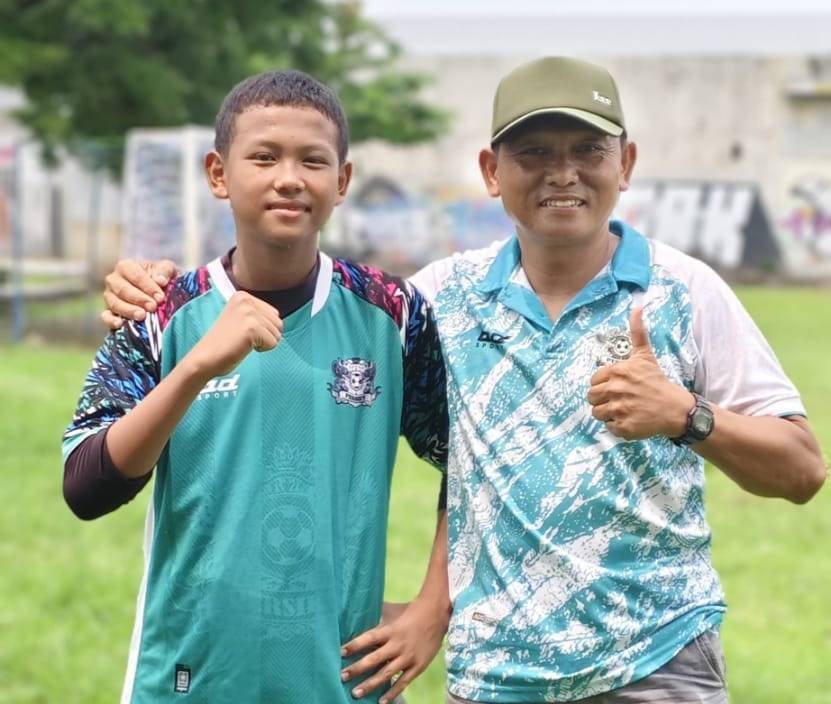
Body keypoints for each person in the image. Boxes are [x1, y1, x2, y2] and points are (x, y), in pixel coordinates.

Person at [102, 57, 827, 703]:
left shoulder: (686, 290)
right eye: (534, 153)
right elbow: (451, 452)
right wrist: (158, 289)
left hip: (654, 663)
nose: (563, 173)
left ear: (625, 163)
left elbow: (801, 470)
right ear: (491, 171)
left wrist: (686, 415)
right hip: (492, 675)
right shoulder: (433, 301)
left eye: (587, 150)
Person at [63, 69, 451, 704]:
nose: (289, 177)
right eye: (264, 157)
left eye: (312, 160)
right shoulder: (159, 312)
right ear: (219, 174)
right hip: (190, 680)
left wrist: (433, 607)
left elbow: (473, 461)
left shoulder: (393, 312)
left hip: (341, 682)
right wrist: (194, 369)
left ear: (342, 181)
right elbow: (86, 487)